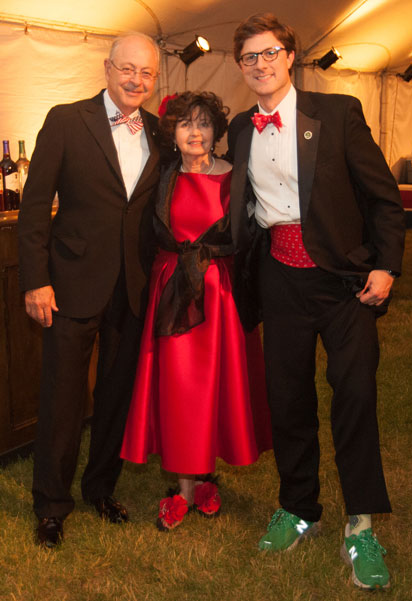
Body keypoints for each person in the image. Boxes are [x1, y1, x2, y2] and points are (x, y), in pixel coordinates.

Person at [227, 13, 405, 591]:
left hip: (343, 281)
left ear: (290, 54)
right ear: (242, 66)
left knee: (354, 396)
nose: (260, 65)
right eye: (249, 57)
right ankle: (298, 506)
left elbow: (381, 196)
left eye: (268, 53)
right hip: (280, 279)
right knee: (288, 399)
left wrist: (385, 263)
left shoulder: (337, 113)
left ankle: (361, 524)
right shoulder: (239, 129)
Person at [18, 33, 161, 548]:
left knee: (116, 398)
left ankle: (101, 488)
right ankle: (52, 505)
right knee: (62, 399)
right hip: (71, 284)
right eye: (127, 69)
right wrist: (36, 278)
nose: (135, 80)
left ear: (155, 77)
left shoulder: (161, 133)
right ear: (107, 68)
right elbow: (35, 208)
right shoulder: (65, 120)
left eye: (145, 73)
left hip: (134, 288)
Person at [120, 91, 272, 531]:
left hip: (219, 296)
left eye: (203, 123)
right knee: (178, 389)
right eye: (185, 124)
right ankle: (183, 489)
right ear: (173, 132)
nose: (195, 132)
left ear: (215, 130)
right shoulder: (161, 176)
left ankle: (206, 475)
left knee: (215, 386)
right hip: (170, 294)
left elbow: (254, 234)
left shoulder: (237, 176)